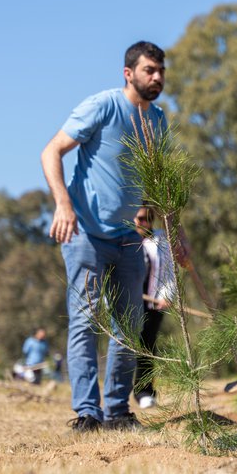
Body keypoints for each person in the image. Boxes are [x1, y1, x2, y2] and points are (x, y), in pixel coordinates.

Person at [41, 41, 177, 432]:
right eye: (150, 70)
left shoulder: (158, 121)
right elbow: (51, 151)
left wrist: (173, 232)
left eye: (161, 70)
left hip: (130, 238)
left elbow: (159, 183)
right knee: (85, 320)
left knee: (129, 326)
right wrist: (63, 204)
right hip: (85, 232)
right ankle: (87, 411)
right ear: (128, 73)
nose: (157, 77)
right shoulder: (102, 106)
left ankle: (117, 410)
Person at [132, 205, 176, 409]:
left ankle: (144, 392)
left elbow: (168, 272)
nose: (140, 222)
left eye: (145, 218)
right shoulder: (124, 239)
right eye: (137, 218)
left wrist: (167, 296)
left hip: (153, 304)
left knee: (147, 347)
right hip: (128, 303)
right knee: (124, 347)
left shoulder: (160, 241)